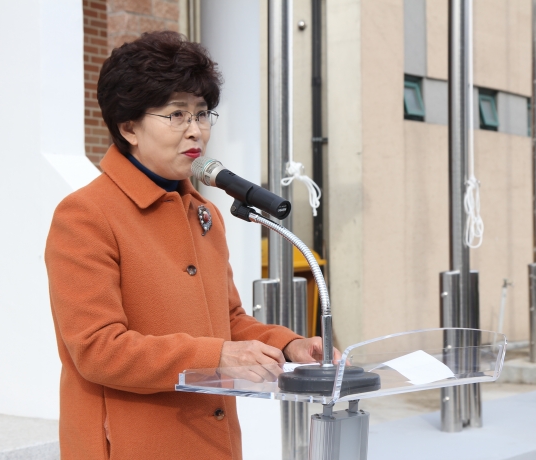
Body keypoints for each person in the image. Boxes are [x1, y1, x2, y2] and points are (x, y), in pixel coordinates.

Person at [45, 31, 339, 460]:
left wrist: (288, 346)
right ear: (128, 127)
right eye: (176, 114)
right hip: (132, 445)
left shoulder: (204, 213)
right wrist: (216, 356)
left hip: (211, 439)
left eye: (202, 113)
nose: (196, 130)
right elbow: (97, 349)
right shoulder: (86, 214)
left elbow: (228, 321)